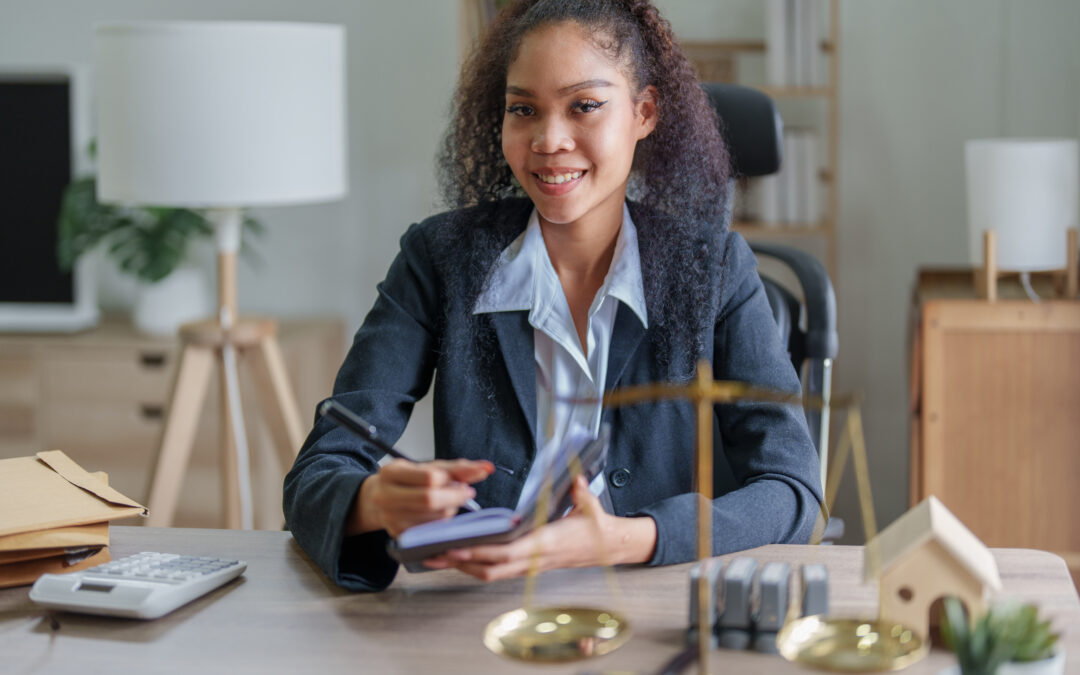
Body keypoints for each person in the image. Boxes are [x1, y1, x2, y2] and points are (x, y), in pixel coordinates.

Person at [284, 0, 823, 593]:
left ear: (643, 112)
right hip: (483, 611)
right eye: (523, 110)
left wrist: (626, 537)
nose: (549, 139)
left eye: (584, 106)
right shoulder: (438, 258)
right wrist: (372, 500)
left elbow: (793, 492)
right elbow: (317, 472)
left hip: (653, 605)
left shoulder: (715, 267)